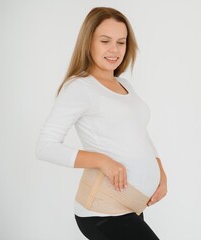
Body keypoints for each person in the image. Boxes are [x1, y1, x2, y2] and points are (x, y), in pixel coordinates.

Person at [36, 7, 167, 240]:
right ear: (89, 43)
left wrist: (160, 172)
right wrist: (102, 161)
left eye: (121, 42)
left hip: (130, 207)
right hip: (102, 211)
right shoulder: (80, 88)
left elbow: (139, 133)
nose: (114, 50)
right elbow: (45, 146)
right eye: (105, 40)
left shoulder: (125, 84)